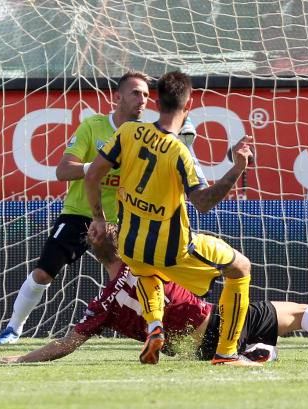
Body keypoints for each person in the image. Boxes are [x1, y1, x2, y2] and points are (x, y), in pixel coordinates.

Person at [0, 225, 308, 364]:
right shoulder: (151, 262)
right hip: (218, 322)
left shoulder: (102, 304)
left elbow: (66, 344)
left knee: (260, 332)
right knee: (301, 313)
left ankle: (253, 354)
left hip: (193, 349)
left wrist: (20, 358)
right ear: (122, 244)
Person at [85, 71, 257, 366]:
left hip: (131, 246)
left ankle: (155, 327)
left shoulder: (128, 132)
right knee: (241, 267)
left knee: (147, 270)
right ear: (188, 106)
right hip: (173, 249)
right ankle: (227, 353)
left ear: (156, 102)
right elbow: (203, 203)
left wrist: (99, 218)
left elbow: (92, 175)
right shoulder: (179, 152)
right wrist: (237, 168)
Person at [0, 70, 153, 344]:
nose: (143, 100)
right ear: (118, 97)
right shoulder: (93, 127)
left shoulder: (147, 135)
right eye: (136, 93)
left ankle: (152, 330)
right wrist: (97, 167)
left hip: (123, 220)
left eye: (146, 95)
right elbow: (63, 170)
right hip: (81, 213)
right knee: (43, 273)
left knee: (132, 280)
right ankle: (13, 329)